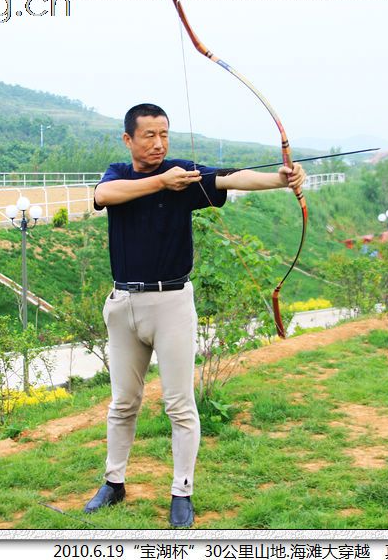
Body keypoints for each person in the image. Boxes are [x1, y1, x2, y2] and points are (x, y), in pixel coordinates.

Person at [85, 103, 305, 528]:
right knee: (123, 403)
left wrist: (280, 178)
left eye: (164, 134)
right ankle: (114, 482)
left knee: (179, 404)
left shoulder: (182, 175)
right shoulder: (119, 175)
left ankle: (181, 491)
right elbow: (101, 195)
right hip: (124, 303)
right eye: (148, 135)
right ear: (129, 139)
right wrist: (159, 182)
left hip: (171, 304)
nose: (158, 142)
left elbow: (230, 176)